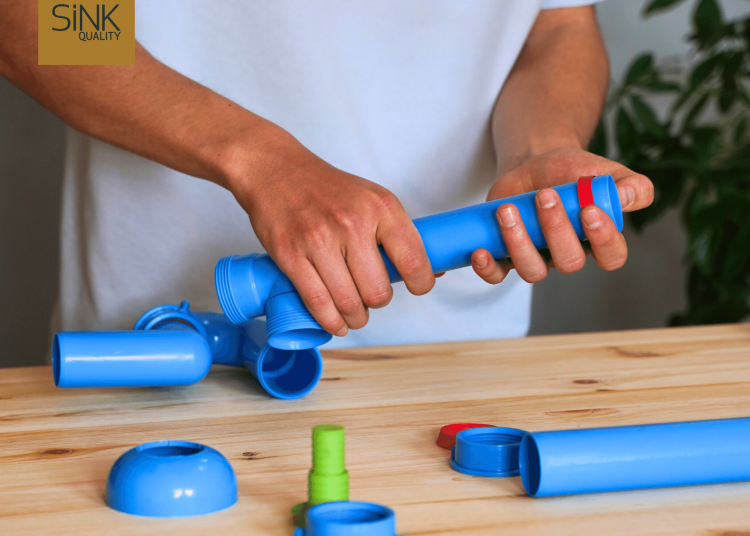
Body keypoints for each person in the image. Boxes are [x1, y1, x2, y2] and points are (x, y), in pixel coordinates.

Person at [0, 1, 653, 348]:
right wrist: (262, 160)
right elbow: (49, 18)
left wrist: (538, 149)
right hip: (164, 344)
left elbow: (556, 25)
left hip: (459, 352)